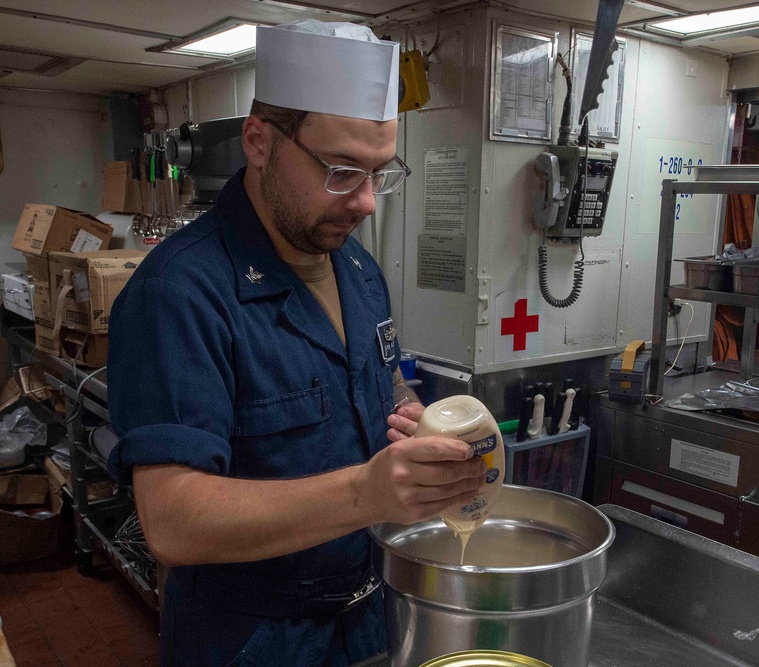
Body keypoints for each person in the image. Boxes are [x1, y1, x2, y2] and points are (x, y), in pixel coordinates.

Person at [106, 20, 485, 666]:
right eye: (340, 171)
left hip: (367, 624)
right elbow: (170, 518)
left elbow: (380, 383)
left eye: (379, 173)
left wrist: (414, 420)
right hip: (251, 641)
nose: (366, 201)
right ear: (258, 142)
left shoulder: (358, 273)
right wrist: (366, 494)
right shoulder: (181, 292)